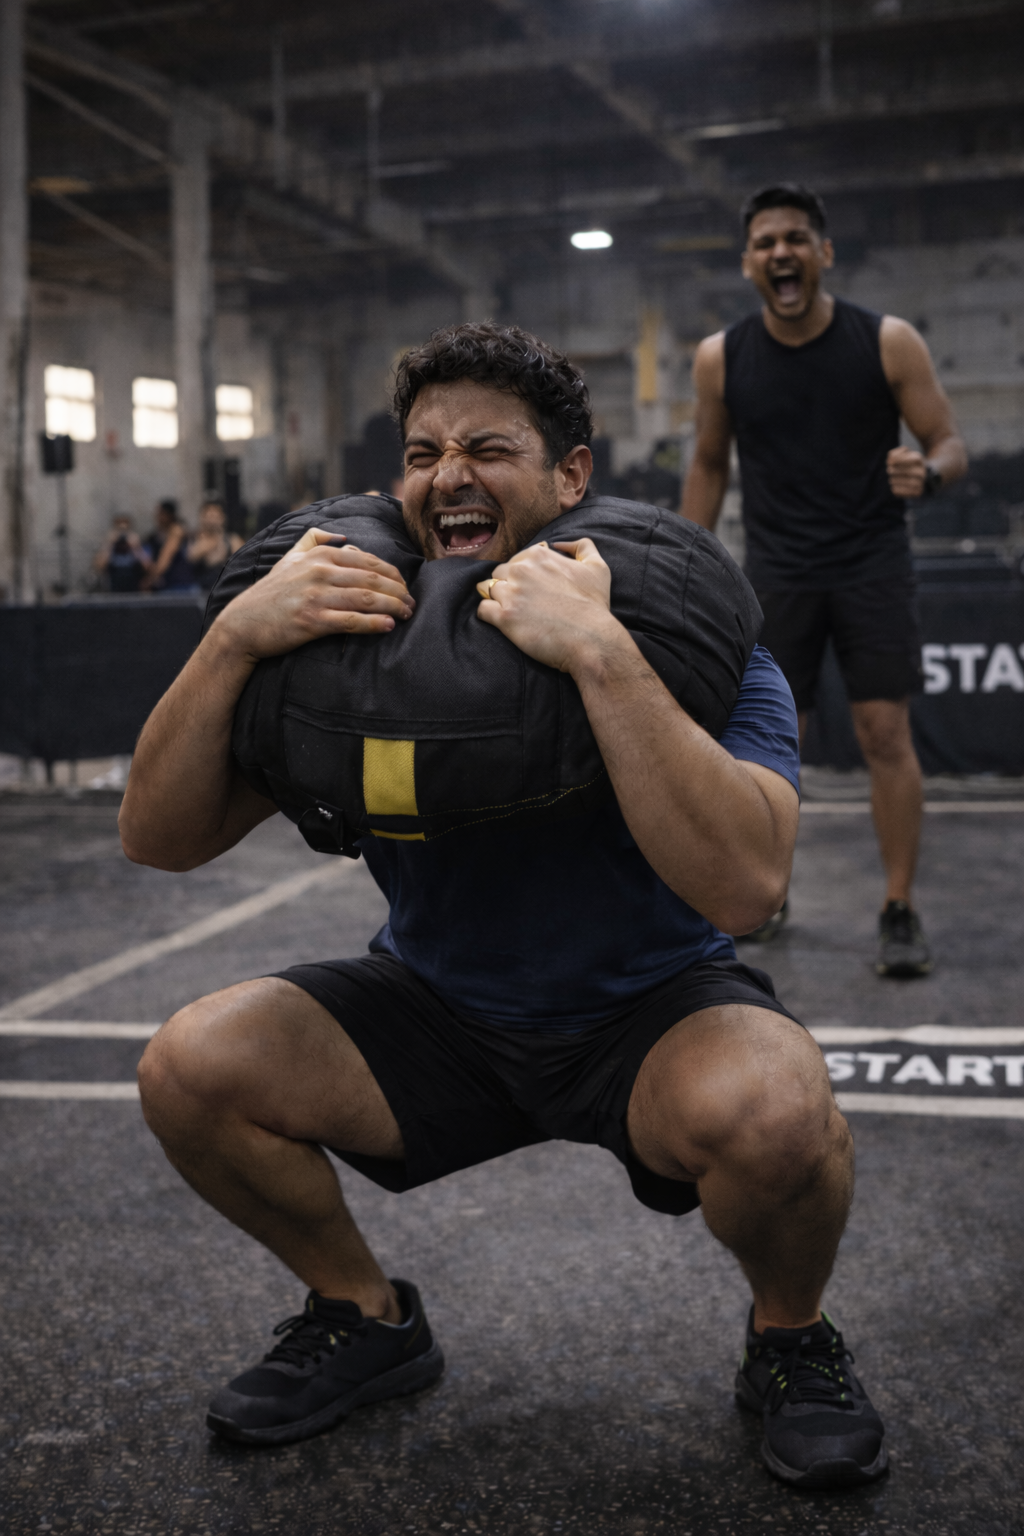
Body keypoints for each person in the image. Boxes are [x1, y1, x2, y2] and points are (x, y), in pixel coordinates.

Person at [121, 323, 886, 1489]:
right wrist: (232, 639)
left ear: (571, 476)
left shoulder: (683, 633)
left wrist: (600, 655)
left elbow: (746, 885)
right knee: (189, 1068)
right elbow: (158, 838)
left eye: (488, 449)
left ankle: (791, 1335)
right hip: (435, 1009)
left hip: (648, 1012)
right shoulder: (363, 662)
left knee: (778, 1112)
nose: (449, 477)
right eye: (422, 454)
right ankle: (364, 1316)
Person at [681, 183, 967, 977]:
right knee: (775, 740)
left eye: (797, 239)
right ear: (749, 263)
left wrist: (928, 473)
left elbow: (949, 442)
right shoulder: (720, 358)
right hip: (778, 570)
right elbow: (708, 464)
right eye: (766, 242)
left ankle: (899, 908)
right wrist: (687, 566)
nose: (782, 253)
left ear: (824, 253)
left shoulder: (888, 342)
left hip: (873, 562)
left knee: (884, 734)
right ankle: (764, 899)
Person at [186, 499, 244, 591]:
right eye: (209, 516)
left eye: (215, 516)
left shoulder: (232, 539)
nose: (212, 521)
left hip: (226, 587)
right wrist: (214, 539)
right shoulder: (196, 539)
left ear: (223, 518)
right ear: (202, 517)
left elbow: (243, 561)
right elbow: (192, 556)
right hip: (201, 588)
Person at [141, 499, 195, 592]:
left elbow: (166, 558)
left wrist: (150, 579)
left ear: (169, 515)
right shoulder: (156, 536)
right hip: (166, 584)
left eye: (161, 514)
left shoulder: (177, 530)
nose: (158, 517)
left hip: (179, 585)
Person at [93, 514, 150, 593]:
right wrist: (108, 544)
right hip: (113, 590)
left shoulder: (136, 546)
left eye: (125, 530)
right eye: (119, 530)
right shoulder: (110, 547)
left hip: (134, 590)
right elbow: (99, 567)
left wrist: (137, 548)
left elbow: (148, 568)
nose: (122, 535)